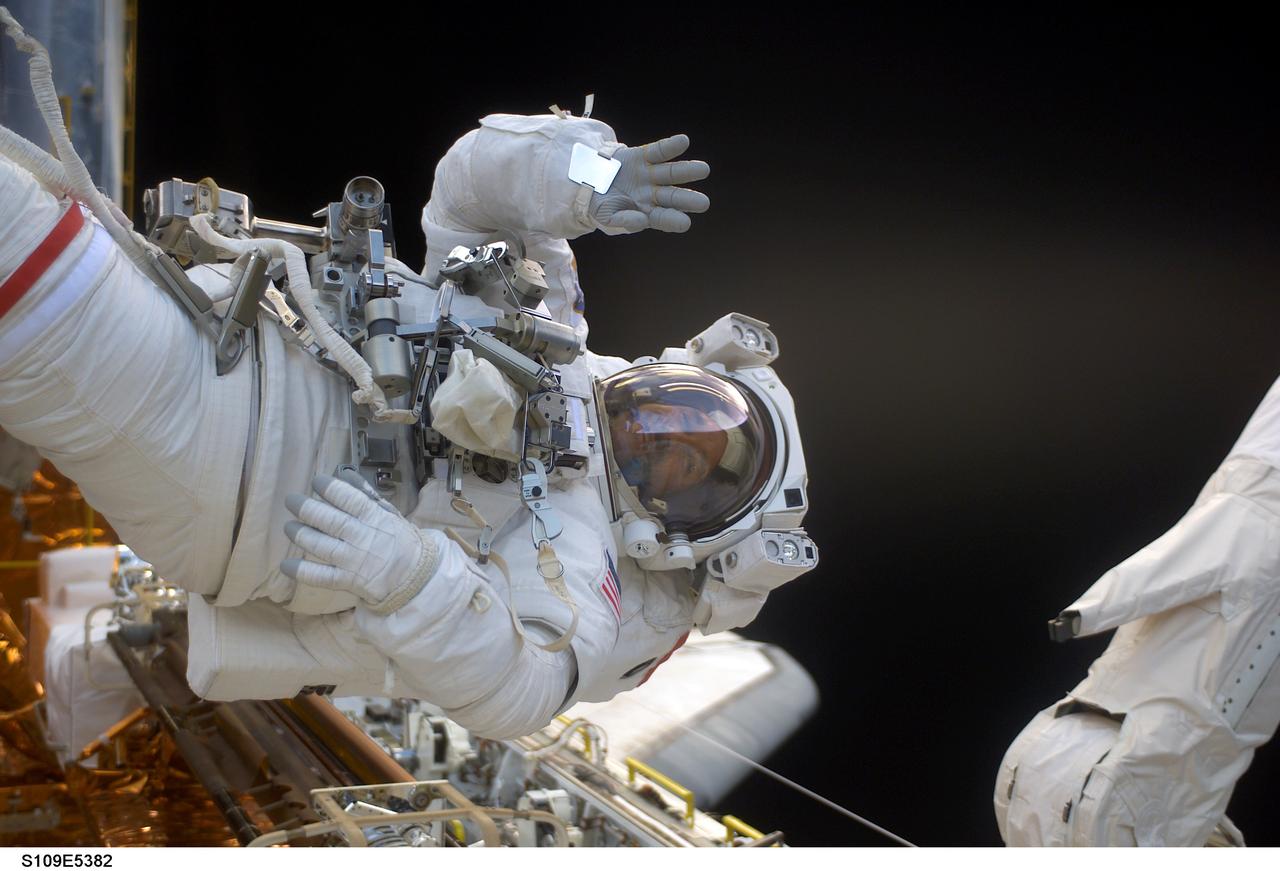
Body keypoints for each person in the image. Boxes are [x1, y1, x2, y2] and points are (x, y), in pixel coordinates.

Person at [0, 12, 816, 739]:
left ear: (675, 531)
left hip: (238, 469)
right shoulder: (555, 334)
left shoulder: (580, 559)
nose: (661, 435)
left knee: (25, 259)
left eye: (682, 465)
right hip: (236, 327)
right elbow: (469, 191)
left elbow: (519, 689)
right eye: (685, 414)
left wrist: (405, 576)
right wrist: (593, 182)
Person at [995, 376, 1280, 846]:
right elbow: (1161, 570)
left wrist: (1086, 613)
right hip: (1136, 756)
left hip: (1141, 758)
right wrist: (1087, 612)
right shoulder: (1248, 523)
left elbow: (1160, 571)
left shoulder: (1243, 522)